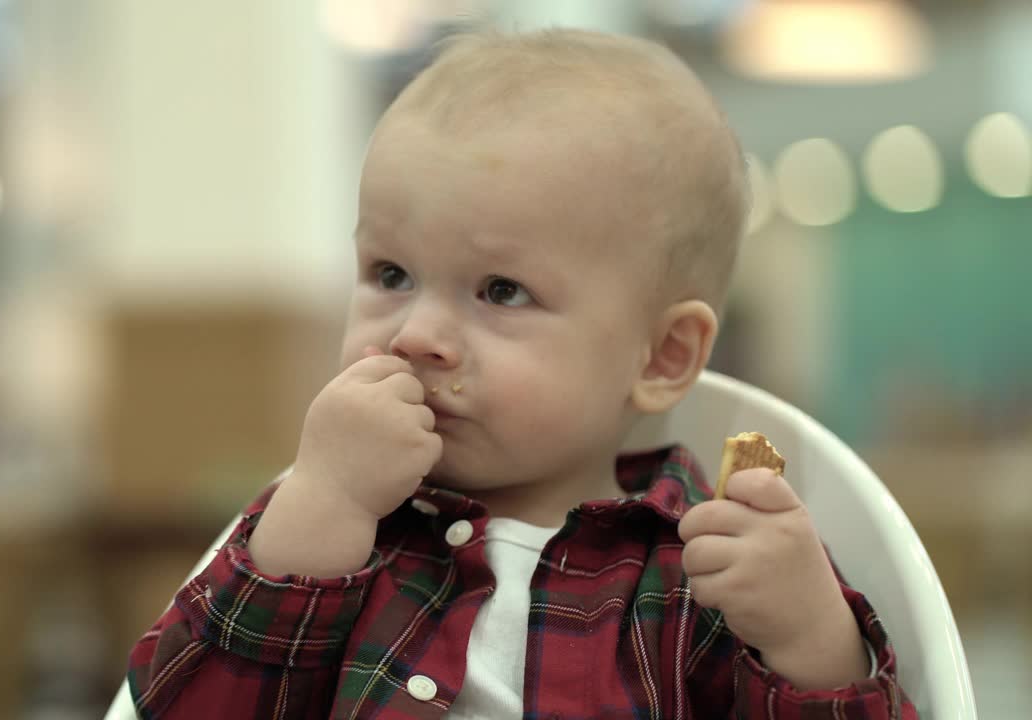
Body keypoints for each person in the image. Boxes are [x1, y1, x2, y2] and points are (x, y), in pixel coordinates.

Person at [125, 29, 916, 719]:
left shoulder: (696, 567)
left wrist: (812, 642)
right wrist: (317, 516)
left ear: (662, 355)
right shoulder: (337, 526)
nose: (418, 334)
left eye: (501, 290)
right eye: (391, 273)